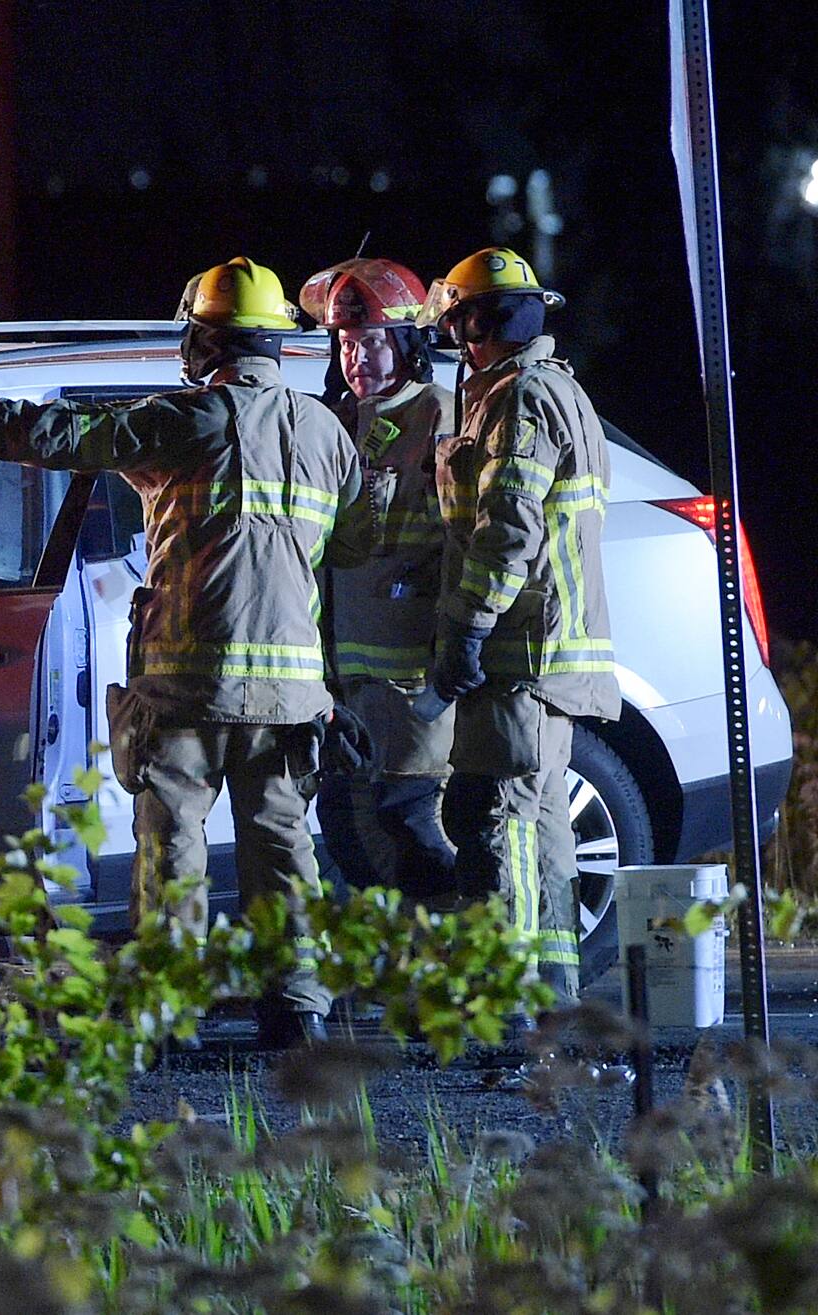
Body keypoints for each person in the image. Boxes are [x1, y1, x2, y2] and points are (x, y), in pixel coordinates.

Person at [0, 257, 367, 1046]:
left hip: (188, 688)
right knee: (282, 847)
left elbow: (52, 435)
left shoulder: (179, 421)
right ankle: (298, 1010)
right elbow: (355, 548)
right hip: (288, 700)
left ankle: (168, 1010)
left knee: (173, 846)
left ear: (206, 341)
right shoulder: (325, 432)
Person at [419, 246, 619, 1007]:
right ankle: (552, 992)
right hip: (545, 652)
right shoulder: (556, 388)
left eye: (457, 325)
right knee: (539, 824)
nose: (454, 342)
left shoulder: (521, 399)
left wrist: (467, 628)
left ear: (477, 324)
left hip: (520, 654)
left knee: (496, 817)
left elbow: (508, 528)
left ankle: (509, 1004)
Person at [298, 259, 460, 900]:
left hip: (410, 676)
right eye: (345, 343)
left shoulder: (438, 417)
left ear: (407, 344)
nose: (356, 358)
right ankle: (389, 953)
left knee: (412, 820)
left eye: (371, 343)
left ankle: (445, 945)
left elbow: (463, 541)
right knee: (345, 822)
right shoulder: (335, 421)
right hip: (341, 676)